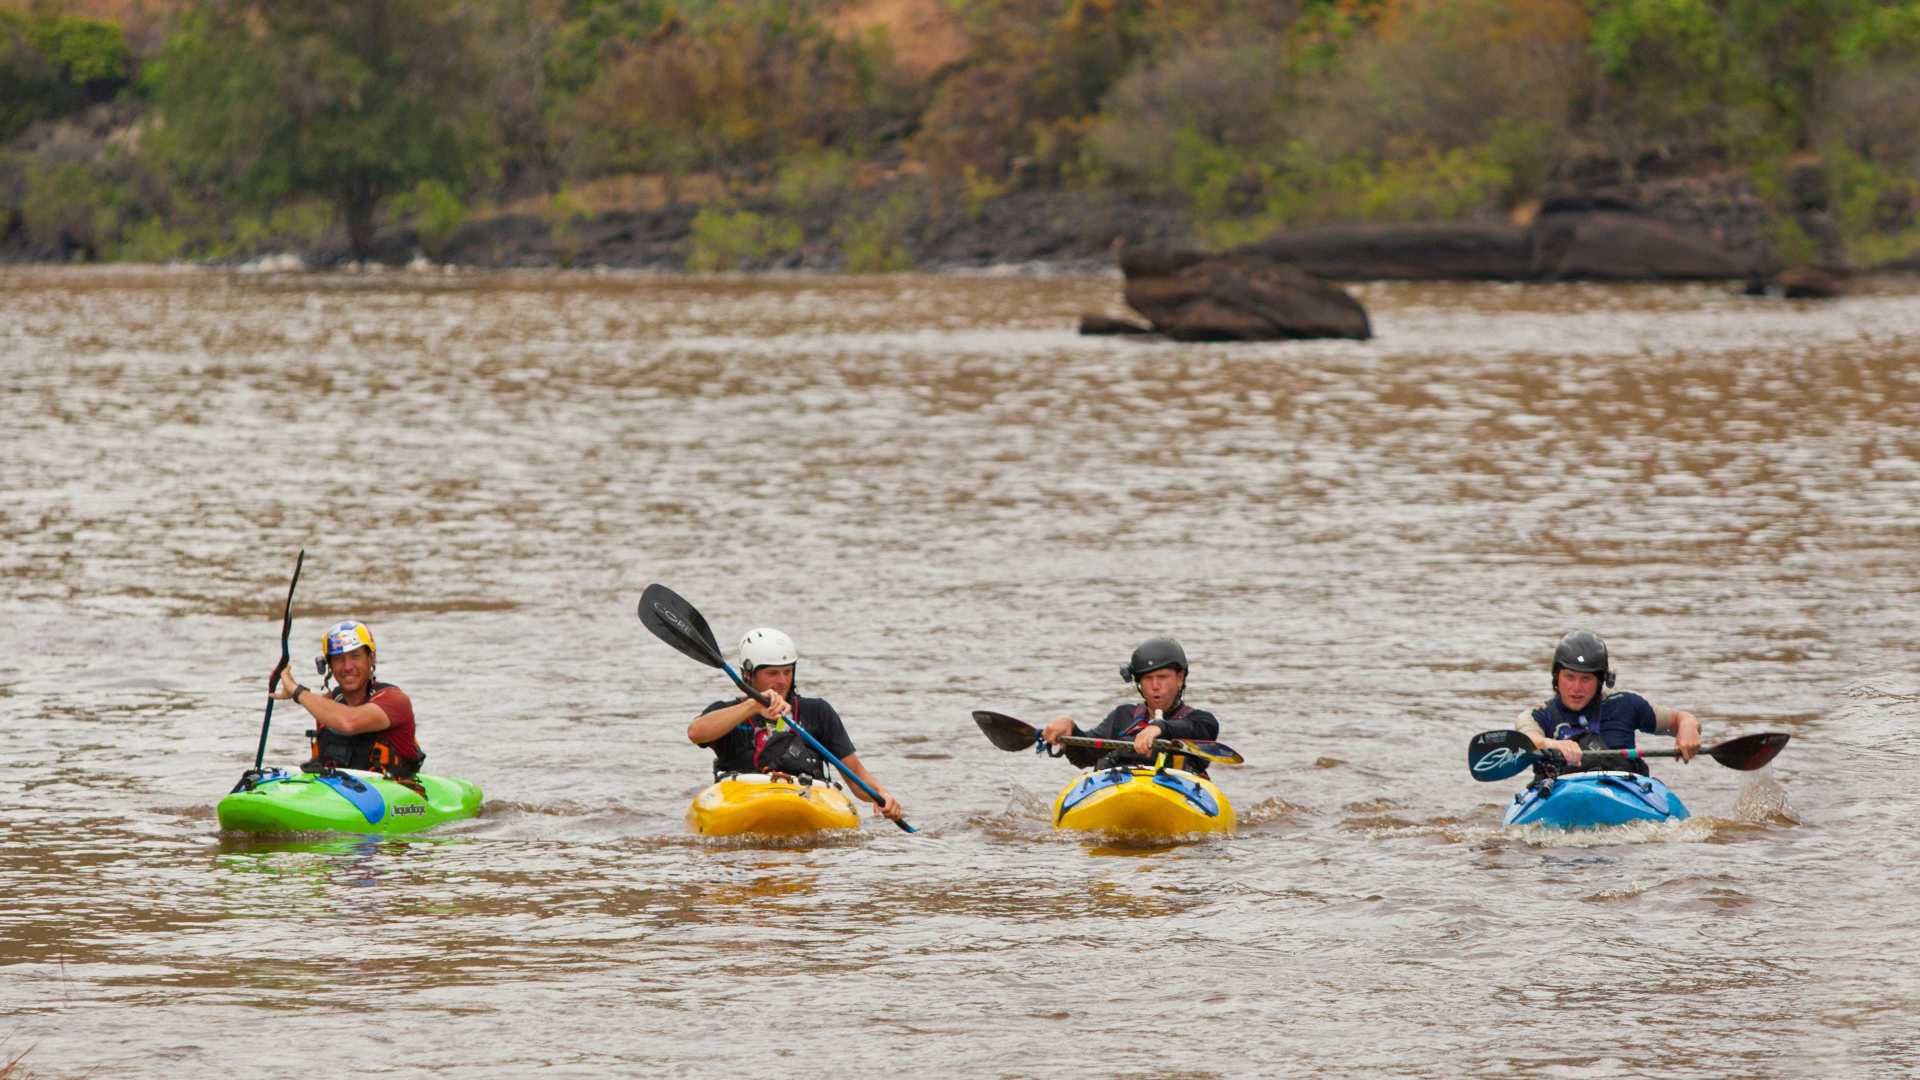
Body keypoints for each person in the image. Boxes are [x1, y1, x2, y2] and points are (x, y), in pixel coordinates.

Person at [686, 627, 905, 821]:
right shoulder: (728, 712)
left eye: (787, 671)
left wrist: (881, 794)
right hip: (742, 800)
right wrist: (752, 706)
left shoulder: (818, 712)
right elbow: (696, 733)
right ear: (748, 675)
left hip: (807, 800)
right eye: (772, 673)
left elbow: (855, 775)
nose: (782, 681)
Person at [1517, 629, 1700, 774]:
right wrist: (1554, 744)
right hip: (1560, 794)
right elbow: (1527, 741)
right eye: (1569, 677)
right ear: (1556, 677)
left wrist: (1688, 727)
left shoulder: (1627, 704)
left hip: (1624, 792)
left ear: (1602, 681)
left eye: (1586, 679)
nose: (1576, 688)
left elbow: (1680, 720)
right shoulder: (1538, 715)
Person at [1041, 637, 1220, 774]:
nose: (1155, 686)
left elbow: (1201, 730)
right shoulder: (1123, 716)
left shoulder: (1201, 721)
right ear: (1139, 683)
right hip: (1122, 792)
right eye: (1148, 678)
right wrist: (1070, 729)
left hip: (1176, 796)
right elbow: (1084, 757)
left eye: (1162, 677)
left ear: (1179, 678)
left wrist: (1159, 728)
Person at [271, 620, 426, 778]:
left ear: (371, 658)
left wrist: (297, 691)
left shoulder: (395, 700)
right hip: (342, 788)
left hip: (396, 788)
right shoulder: (328, 705)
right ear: (329, 665)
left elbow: (349, 722)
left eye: (355, 656)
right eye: (339, 659)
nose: (347, 667)